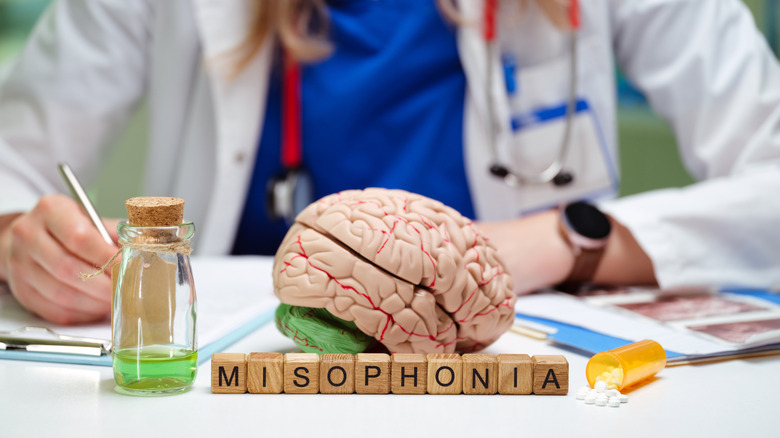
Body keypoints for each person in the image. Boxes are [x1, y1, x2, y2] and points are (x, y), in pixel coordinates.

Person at [0, 0, 778, 325]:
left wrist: (565, 241)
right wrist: (17, 241)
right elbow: (12, 161)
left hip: (508, 381)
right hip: (245, 379)